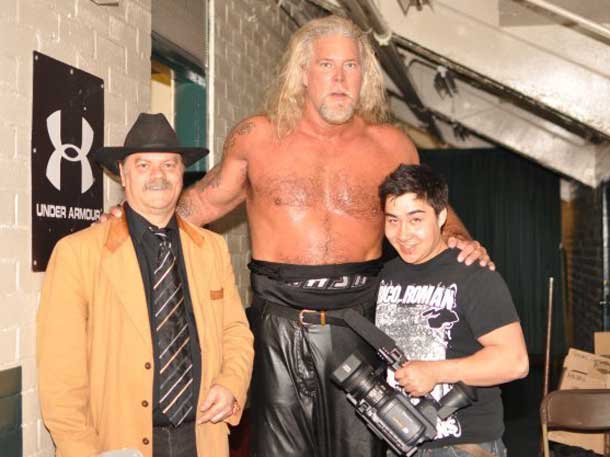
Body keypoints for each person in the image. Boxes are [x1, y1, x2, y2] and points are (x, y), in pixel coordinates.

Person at [105, 15, 491, 457]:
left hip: (359, 321)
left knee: (361, 448)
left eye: (351, 66)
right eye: (327, 65)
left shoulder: (392, 145)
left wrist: (462, 237)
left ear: (364, 76)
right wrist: (128, 217)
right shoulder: (257, 137)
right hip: (279, 323)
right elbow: (203, 204)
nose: (340, 78)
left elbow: (431, 210)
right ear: (303, 72)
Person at [37, 113, 254, 457]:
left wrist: (231, 384)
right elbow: (60, 377)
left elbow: (236, 332)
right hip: (118, 443)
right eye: (143, 165)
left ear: (182, 172)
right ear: (122, 173)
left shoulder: (211, 249)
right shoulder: (76, 254)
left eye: (169, 164)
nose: (158, 176)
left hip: (202, 435)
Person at [376, 164, 529, 457]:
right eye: (393, 220)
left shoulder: (473, 274)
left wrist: (436, 372)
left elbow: (516, 361)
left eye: (416, 219)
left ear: (441, 216)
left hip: (461, 446)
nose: (403, 233)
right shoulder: (385, 276)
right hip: (400, 443)